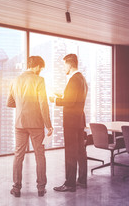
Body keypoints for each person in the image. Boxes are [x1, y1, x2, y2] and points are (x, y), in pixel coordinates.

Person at [7, 56, 53, 197]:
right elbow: (43, 104)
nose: (41, 71)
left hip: (20, 123)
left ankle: (16, 188)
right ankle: (40, 188)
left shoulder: (15, 80)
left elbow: (10, 102)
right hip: (36, 124)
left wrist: (22, 105)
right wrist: (49, 125)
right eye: (41, 68)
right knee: (39, 155)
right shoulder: (39, 80)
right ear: (37, 66)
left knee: (18, 155)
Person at [51, 54, 88, 192]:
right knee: (80, 151)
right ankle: (82, 180)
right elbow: (75, 99)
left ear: (70, 64)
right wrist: (61, 95)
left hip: (71, 122)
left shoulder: (73, 79)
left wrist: (54, 100)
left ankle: (70, 184)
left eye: (64, 65)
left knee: (70, 152)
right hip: (79, 120)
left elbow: (70, 101)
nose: (64, 68)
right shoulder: (82, 79)